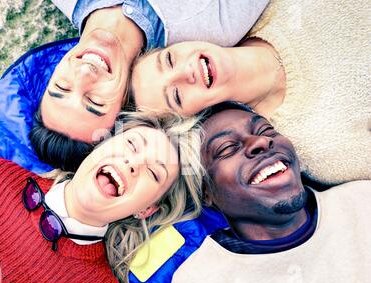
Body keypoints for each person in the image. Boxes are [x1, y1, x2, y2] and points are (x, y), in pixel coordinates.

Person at [0, 112, 203, 283]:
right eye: (131, 144)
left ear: (146, 209)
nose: (133, 163)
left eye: (154, 173)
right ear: (99, 146)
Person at [0, 0, 268, 174]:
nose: (85, 74)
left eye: (61, 87)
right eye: (95, 100)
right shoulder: (212, 29)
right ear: (125, 100)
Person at [130, 0, 371, 185]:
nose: (186, 72)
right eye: (177, 96)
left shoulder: (254, 9)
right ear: (192, 120)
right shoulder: (317, 145)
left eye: (169, 59)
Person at [168, 103, 371, 283]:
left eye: (266, 130)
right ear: (205, 193)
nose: (261, 142)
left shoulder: (362, 200)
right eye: (227, 148)